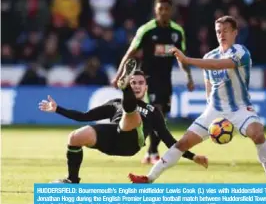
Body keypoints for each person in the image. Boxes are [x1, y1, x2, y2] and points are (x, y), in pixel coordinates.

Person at [128, 16, 266, 184]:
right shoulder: (210, 55)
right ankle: (149, 178)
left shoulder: (241, 52)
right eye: (218, 31)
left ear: (235, 33)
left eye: (226, 31)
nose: (221, 34)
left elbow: (218, 65)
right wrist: (211, 113)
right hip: (214, 110)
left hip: (240, 108)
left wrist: (187, 60)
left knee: (257, 134)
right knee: (183, 142)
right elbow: (209, 85)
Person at [39, 58, 207, 183]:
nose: (137, 86)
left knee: (131, 114)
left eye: (140, 83)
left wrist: (192, 157)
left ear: (146, 87)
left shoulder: (153, 111)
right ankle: (72, 181)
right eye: (132, 83)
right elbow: (84, 116)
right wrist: (57, 109)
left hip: (131, 142)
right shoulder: (115, 104)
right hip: (112, 139)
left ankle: (123, 86)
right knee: (75, 137)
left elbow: (169, 141)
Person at [112, 0, 195, 164]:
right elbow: (130, 53)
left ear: (171, 11)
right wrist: (119, 74)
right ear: (155, 10)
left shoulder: (177, 32)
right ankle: (152, 152)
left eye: (166, 9)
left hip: (166, 79)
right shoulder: (146, 30)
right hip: (147, 79)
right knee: (155, 112)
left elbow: (182, 58)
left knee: (161, 116)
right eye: (160, 9)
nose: (163, 12)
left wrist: (189, 77)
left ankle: (151, 152)